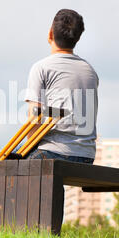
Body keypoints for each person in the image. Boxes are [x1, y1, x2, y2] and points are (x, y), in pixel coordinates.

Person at [24, 9, 99, 165]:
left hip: (54, 151)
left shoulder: (41, 68)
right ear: (77, 38)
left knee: (4, 168)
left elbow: (34, 118)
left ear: (50, 34)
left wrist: (28, 150)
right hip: (87, 156)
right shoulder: (90, 71)